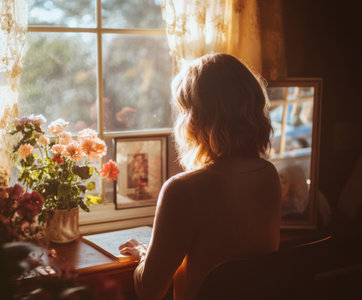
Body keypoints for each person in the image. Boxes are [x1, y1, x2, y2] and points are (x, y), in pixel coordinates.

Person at [119, 53, 281, 300]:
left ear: (197, 117)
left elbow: (149, 290)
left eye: (185, 109)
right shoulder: (268, 175)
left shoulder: (183, 190)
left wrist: (145, 254)